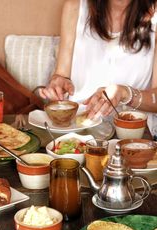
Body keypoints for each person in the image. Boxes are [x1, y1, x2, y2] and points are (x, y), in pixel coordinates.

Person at [39, 0, 157, 134]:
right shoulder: (75, 8)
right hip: (77, 129)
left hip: (130, 134)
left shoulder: (155, 14)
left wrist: (124, 93)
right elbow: (61, 74)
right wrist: (58, 82)